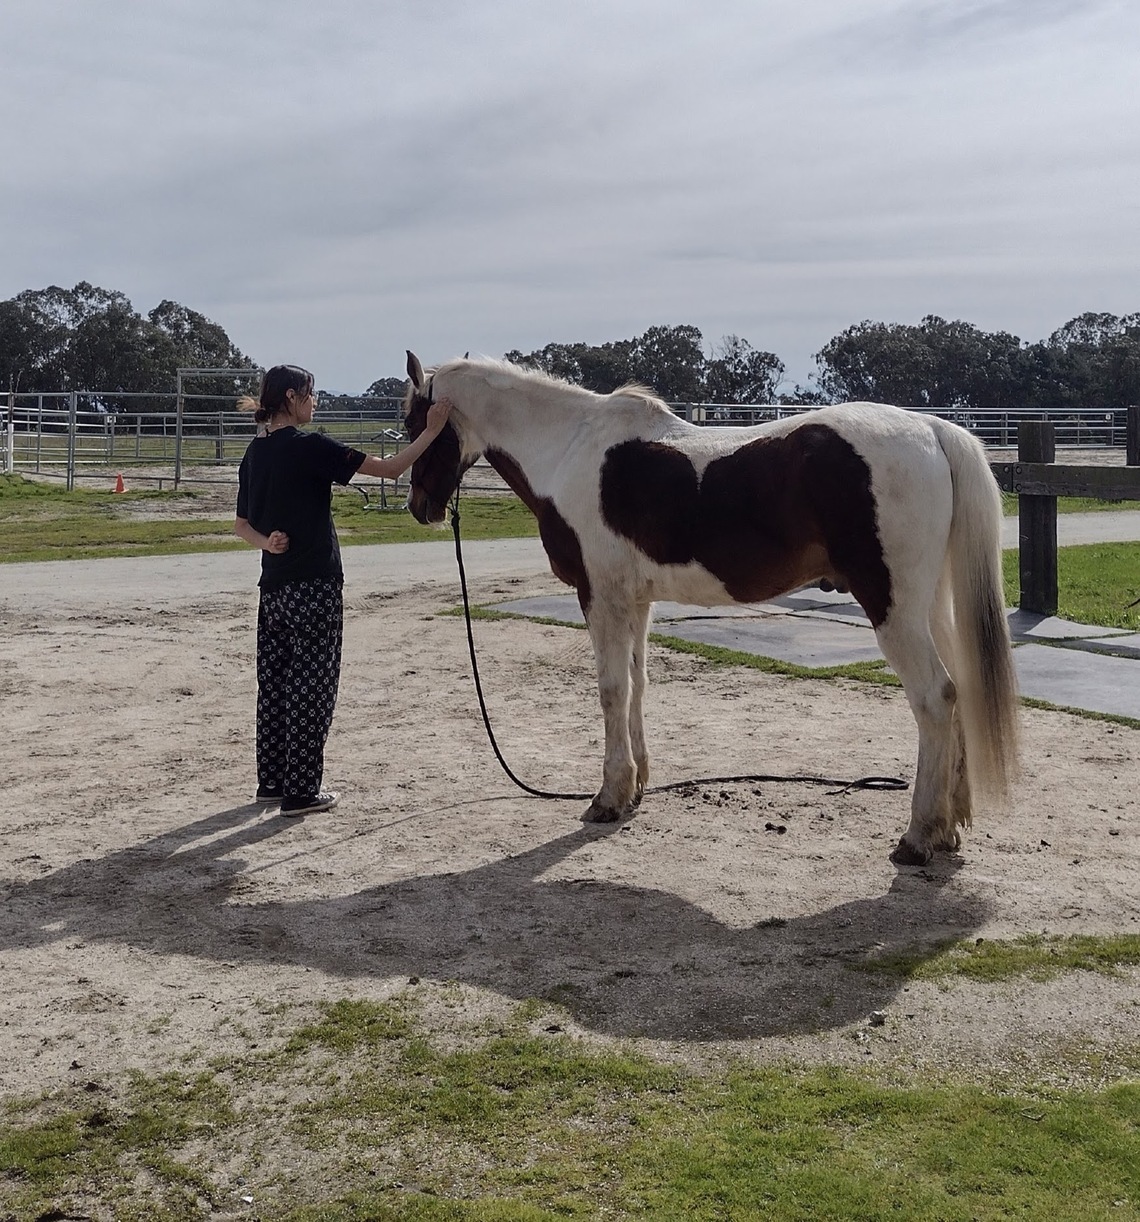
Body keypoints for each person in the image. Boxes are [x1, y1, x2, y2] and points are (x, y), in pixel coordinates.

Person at [234, 364, 452, 816]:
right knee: (311, 686)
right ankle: (302, 792)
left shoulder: (253, 454)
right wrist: (431, 432)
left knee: (273, 686)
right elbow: (391, 469)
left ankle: (271, 783)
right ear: (292, 398)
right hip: (314, 584)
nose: (316, 403)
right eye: (311, 395)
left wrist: (268, 545)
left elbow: (242, 525)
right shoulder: (310, 446)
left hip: (272, 589)